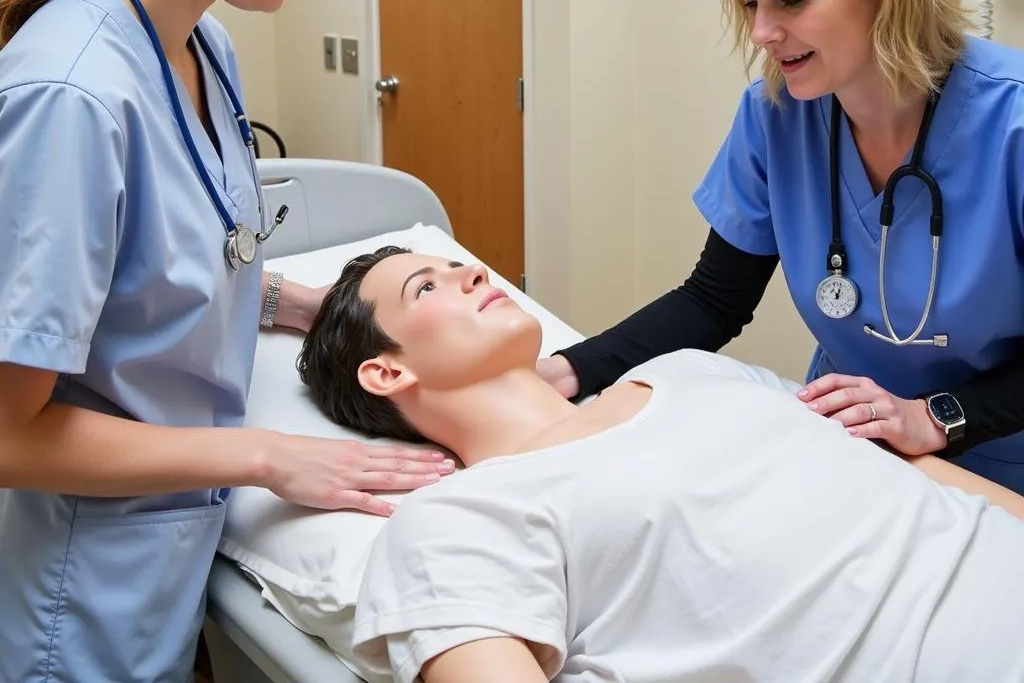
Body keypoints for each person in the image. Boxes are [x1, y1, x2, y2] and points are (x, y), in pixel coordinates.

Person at [0, 0, 452, 683]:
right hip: (88, 596)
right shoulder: (70, 96)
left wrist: (311, 305)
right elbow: (9, 431)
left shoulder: (205, 48)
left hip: (183, 549)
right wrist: (266, 455)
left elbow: (182, 259)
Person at [538, 0, 1024, 495]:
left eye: (791, 0)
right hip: (855, 445)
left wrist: (936, 418)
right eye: (747, 3)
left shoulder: (1011, 124)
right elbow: (714, 300)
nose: (763, 32)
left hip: (1000, 459)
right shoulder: (777, 113)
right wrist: (566, 371)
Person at [297, 246, 1024, 683]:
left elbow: (928, 483)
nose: (472, 274)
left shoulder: (694, 371)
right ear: (384, 374)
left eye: (458, 265)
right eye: (426, 287)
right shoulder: (455, 522)